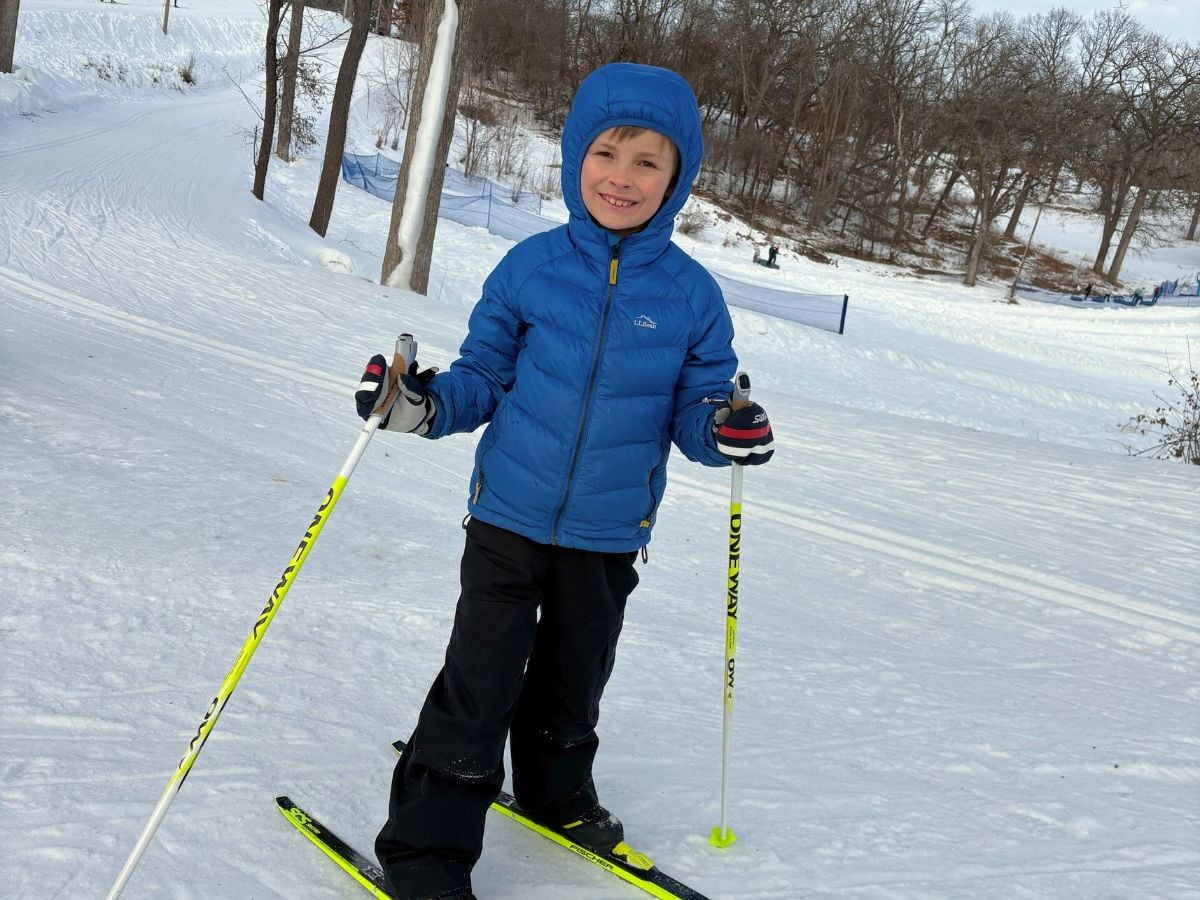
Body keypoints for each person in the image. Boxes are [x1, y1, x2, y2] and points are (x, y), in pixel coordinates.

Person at [353, 62, 775, 900]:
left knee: (575, 676)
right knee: (481, 681)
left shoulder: (693, 298)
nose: (623, 178)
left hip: (611, 530)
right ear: (575, 157)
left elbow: (696, 412)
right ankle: (427, 852)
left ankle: (558, 794)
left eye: (648, 162)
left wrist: (725, 430)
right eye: (607, 154)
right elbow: (480, 378)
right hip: (508, 516)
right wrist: (418, 406)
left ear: (678, 176)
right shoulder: (530, 270)